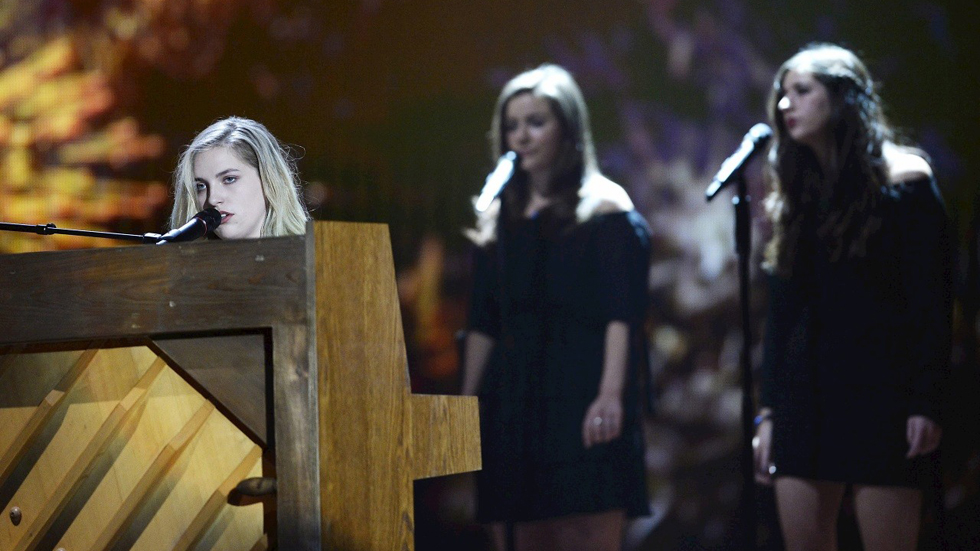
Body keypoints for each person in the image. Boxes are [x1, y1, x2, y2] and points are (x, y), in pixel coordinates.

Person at [753, 44, 953, 551]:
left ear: (842, 97)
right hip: (805, 399)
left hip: (881, 395)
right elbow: (781, 316)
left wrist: (926, 400)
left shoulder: (905, 180)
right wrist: (769, 412)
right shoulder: (798, 193)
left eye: (802, 91)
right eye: (782, 94)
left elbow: (930, 302)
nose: (786, 105)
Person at [460, 64, 651, 551]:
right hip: (514, 401)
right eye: (512, 125)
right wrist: (462, 407)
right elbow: (482, 321)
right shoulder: (499, 217)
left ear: (567, 127)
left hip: (581, 391)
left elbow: (621, 314)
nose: (521, 136)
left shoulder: (605, 208)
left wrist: (610, 394)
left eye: (536, 122)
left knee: (585, 528)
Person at [170, 116, 309, 239]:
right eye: (200, 186)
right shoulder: (183, 260)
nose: (212, 199)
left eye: (229, 179)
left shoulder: (314, 255)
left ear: (268, 179)